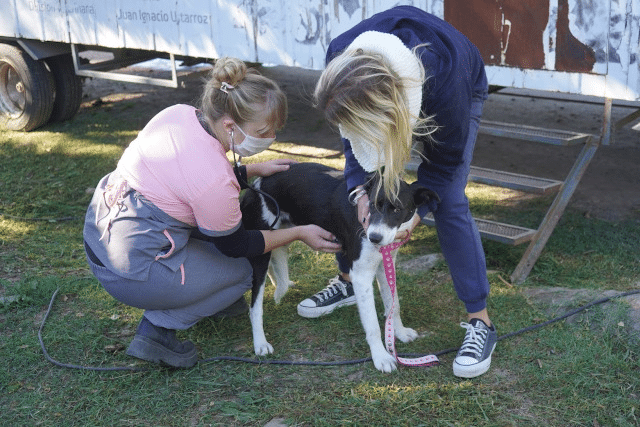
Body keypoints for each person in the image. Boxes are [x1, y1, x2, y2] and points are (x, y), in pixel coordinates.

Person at [83, 57, 341, 368]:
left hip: (100, 233)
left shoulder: (180, 114)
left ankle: (207, 297)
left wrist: (251, 169)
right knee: (245, 269)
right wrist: (299, 232)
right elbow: (236, 245)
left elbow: (183, 176)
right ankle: (157, 330)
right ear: (230, 126)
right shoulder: (214, 179)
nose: (270, 138)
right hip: (127, 271)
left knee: (216, 246)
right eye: (263, 130)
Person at [296, 5, 497, 378]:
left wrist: (413, 215)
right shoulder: (341, 59)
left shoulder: (445, 76)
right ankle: (349, 279)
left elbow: (444, 164)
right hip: (383, 95)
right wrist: (358, 190)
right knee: (361, 189)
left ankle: (480, 321)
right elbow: (354, 141)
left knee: (449, 200)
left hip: (456, 86)